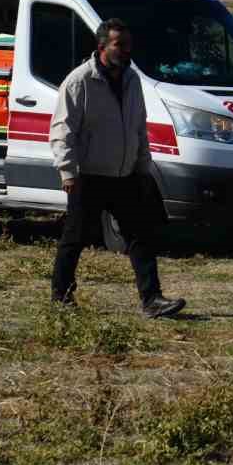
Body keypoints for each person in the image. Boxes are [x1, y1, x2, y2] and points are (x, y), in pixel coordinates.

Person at [49, 19, 185, 319]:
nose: (125, 51)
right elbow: (62, 131)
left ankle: (152, 300)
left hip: (125, 176)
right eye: (118, 45)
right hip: (89, 176)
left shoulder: (132, 80)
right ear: (102, 48)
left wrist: (143, 166)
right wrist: (68, 172)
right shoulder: (79, 82)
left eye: (127, 45)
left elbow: (138, 126)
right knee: (75, 238)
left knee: (140, 237)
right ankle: (61, 296)